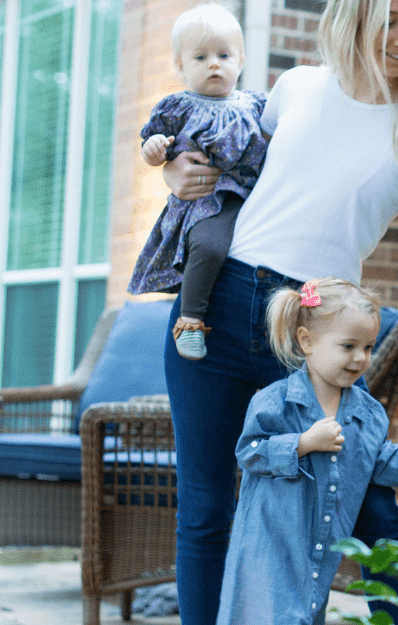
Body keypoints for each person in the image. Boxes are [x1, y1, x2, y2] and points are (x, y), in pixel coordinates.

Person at [156, 1, 398, 625]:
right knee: (207, 507)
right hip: (213, 311)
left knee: (372, 503)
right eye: (388, 18)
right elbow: (223, 171)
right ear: (353, 16)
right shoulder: (296, 88)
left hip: (312, 328)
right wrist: (177, 171)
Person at [213, 277, 398, 625]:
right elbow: (249, 453)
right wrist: (304, 443)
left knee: (298, 623)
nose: (361, 358)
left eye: (367, 347)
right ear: (307, 342)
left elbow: (380, 461)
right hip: (274, 539)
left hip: (319, 543)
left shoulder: (366, 412)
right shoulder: (275, 401)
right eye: (348, 347)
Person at [128, 3, 268, 361]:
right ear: (180, 65)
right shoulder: (178, 107)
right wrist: (156, 151)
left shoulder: (256, 105)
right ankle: (190, 321)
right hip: (207, 201)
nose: (214, 64)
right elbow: (151, 146)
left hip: (254, 199)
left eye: (224, 55)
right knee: (208, 247)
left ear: (241, 58)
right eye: (201, 57)